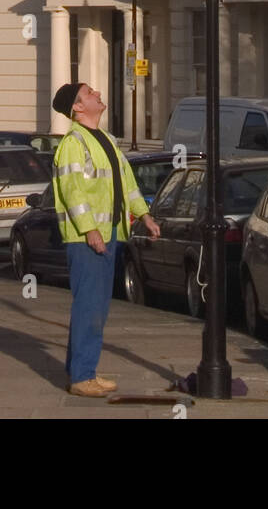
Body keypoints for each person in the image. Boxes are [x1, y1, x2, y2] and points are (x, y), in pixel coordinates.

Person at [51, 80, 161, 397]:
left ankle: (82, 372)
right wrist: (90, 230)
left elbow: (127, 183)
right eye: (89, 93)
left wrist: (144, 215)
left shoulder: (106, 140)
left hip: (109, 231)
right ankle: (82, 375)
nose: (97, 93)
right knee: (89, 305)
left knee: (96, 305)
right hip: (87, 237)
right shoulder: (73, 143)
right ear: (77, 107)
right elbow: (74, 193)